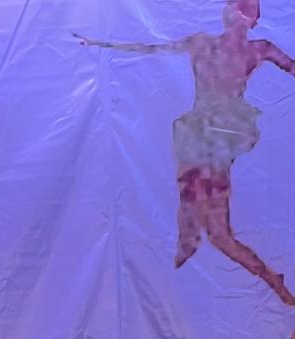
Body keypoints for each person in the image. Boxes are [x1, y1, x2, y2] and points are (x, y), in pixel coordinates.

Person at [79, 0, 295, 305]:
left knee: (218, 233)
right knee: (204, 215)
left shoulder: (257, 48)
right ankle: (191, 243)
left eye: (246, 11)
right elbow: (151, 47)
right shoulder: (205, 43)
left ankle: (272, 281)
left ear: (252, 21)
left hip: (219, 137)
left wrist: (100, 43)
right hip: (199, 135)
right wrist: (99, 43)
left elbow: (292, 67)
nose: (239, 16)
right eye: (237, 8)